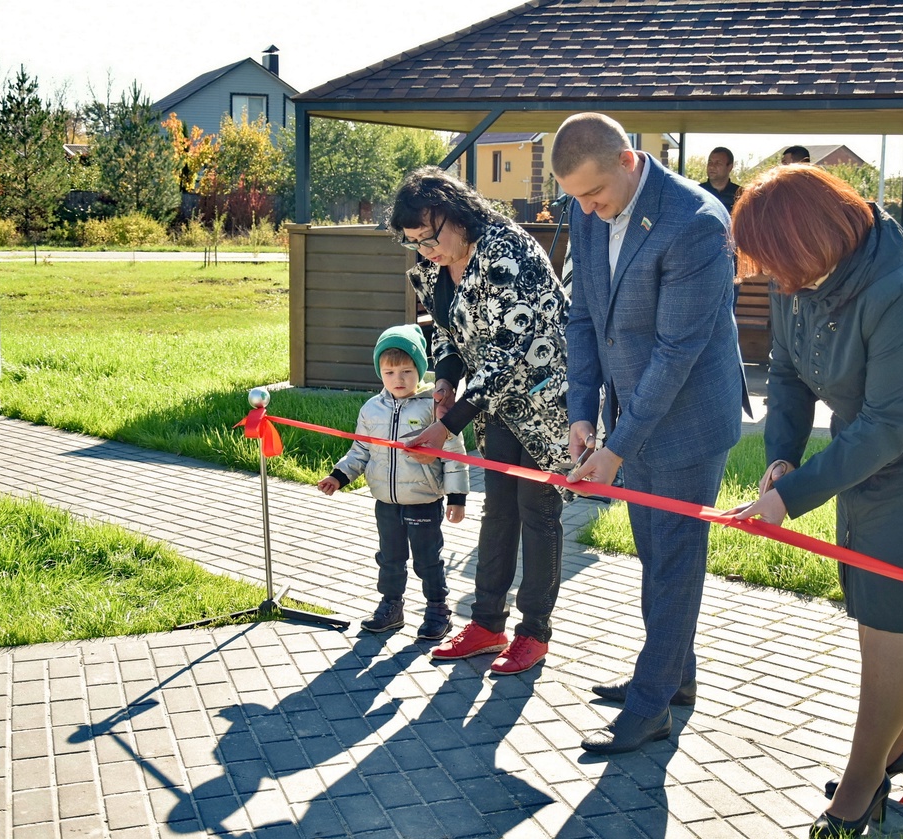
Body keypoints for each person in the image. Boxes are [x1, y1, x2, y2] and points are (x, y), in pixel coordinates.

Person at [729, 165, 903, 839]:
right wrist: (783, 456)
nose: (772, 276)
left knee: (890, 614)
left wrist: (789, 500)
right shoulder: (800, 279)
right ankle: (895, 750)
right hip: (873, 454)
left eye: (774, 259)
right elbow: (787, 372)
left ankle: (857, 794)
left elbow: (888, 425)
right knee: (875, 605)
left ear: (811, 238)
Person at [551, 112, 747, 754]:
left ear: (630, 161)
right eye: (575, 197)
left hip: (688, 419)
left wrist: (615, 449)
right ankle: (673, 679)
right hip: (626, 412)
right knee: (654, 552)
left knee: (673, 560)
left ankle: (651, 704)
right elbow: (582, 316)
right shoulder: (586, 212)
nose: (586, 209)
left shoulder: (695, 223)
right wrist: (582, 413)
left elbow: (675, 353)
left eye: (594, 194)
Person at [390, 166, 573, 676]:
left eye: (429, 239)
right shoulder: (434, 265)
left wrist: (451, 423)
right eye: (415, 245)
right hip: (494, 402)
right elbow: (446, 329)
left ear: (455, 212)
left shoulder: (505, 251)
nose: (426, 252)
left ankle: (534, 632)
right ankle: (487, 623)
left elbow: (511, 351)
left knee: (538, 513)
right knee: (499, 509)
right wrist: (446, 379)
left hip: (543, 400)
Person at [317, 324, 469, 638]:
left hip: (424, 500)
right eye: (389, 372)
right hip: (385, 503)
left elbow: (454, 452)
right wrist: (339, 475)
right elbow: (360, 450)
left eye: (406, 371)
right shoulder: (371, 410)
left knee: (428, 560)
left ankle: (438, 610)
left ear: (420, 371)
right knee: (389, 559)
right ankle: (391, 606)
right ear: (379, 373)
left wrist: (457, 498)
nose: (397, 380)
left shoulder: (433, 408)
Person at [698, 146, 742, 216]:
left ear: (730, 167)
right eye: (710, 162)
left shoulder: (741, 195)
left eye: (718, 163)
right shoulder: (697, 192)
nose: (712, 166)